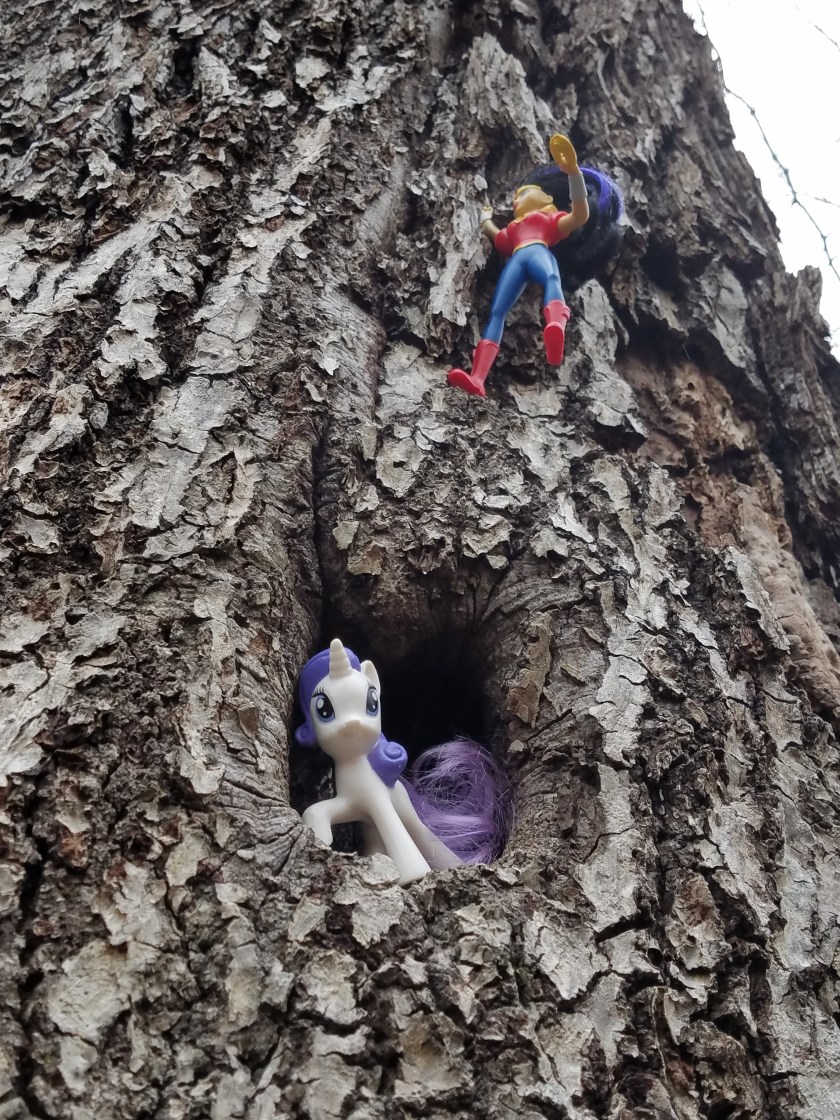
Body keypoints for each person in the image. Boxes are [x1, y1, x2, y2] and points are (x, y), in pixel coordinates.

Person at [448, 133, 622, 398]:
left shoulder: (549, 221)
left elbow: (580, 215)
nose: (517, 200)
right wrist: (485, 219)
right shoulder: (513, 229)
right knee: (497, 312)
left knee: (552, 279)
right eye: (517, 197)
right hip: (517, 260)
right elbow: (496, 237)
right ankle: (478, 377)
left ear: (548, 200)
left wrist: (574, 174)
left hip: (540, 251)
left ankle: (556, 325)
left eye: (526, 193)